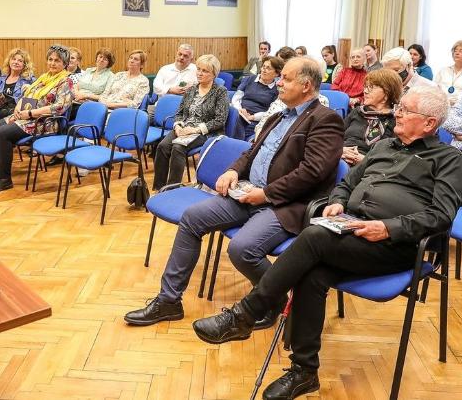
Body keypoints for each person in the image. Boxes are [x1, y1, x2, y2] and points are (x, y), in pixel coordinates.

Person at [191, 86, 462, 400]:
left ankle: (245, 314)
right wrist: (337, 202)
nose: (397, 113)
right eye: (399, 107)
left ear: (429, 123)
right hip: (350, 231)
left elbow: (441, 216)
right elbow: (347, 182)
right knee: (312, 275)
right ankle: (304, 371)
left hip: (396, 245)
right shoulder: (384, 146)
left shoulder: (448, 159)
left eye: (405, 110)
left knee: (314, 237)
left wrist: (388, 228)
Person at [126, 57, 345, 331]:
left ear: (306, 85)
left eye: (286, 79)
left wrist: (266, 194)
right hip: (248, 193)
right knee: (192, 219)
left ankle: (273, 299)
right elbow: (251, 152)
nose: (279, 83)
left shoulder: (326, 120)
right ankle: (169, 301)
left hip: (284, 204)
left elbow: (312, 172)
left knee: (242, 249)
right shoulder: (279, 115)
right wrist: (232, 171)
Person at [0, 45, 73, 193]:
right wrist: (18, 108)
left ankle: (4, 179)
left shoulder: (66, 81)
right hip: (26, 116)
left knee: (2, 133)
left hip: (44, 122)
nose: (52, 63)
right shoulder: (44, 77)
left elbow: (59, 107)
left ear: (65, 64)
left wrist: (30, 113)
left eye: (57, 61)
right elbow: (27, 95)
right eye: (50, 59)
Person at [151, 54, 228, 191]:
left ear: (214, 74)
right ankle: (159, 188)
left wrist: (195, 129)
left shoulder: (220, 92)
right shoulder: (191, 90)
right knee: (162, 146)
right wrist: (178, 126)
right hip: (185, 128)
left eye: (205, 71)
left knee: (178, 147)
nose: (199, 73)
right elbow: (179, 113)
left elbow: (220, 120)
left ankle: (172, 189)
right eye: (198, 69)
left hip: (205, 132)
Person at [341, 68, 401, 166]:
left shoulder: (396, 119)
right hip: (341, 157)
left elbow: (394, 156)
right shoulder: (358, 111)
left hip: (371, 167)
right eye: (365, 87)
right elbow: (335, 136)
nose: (365, 91)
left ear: (387, 92)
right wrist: (340, 150)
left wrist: (365, 161)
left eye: (371, 87)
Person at [231, 56, 283, 140]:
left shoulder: (276, 90)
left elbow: (271, 112)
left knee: (238, 127)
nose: (264, 70)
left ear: (276, 74)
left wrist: (253, 117)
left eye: (268, 68)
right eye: (263, 67)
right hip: (239, 113)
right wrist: (239, 110)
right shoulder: (250, 79)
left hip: (256, 120)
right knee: (234, 119)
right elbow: (236, 97)